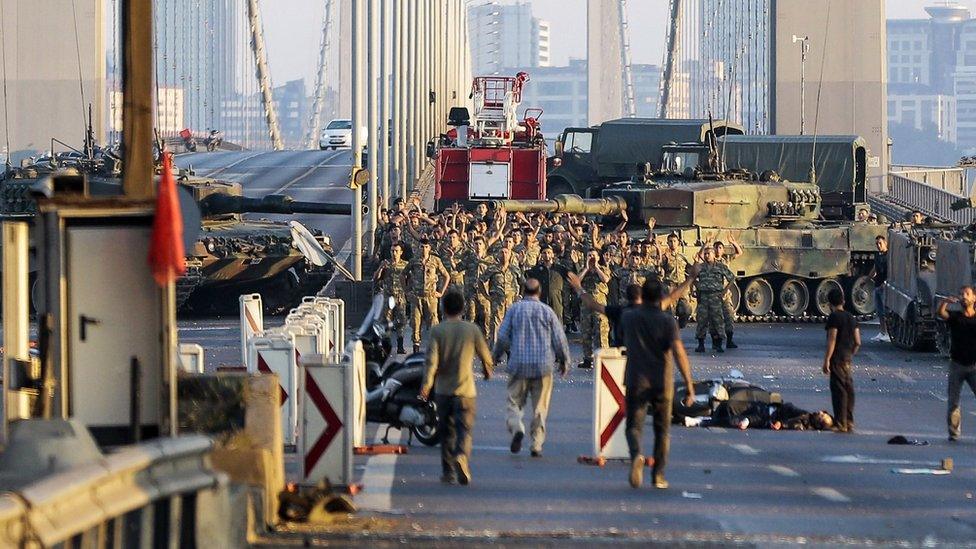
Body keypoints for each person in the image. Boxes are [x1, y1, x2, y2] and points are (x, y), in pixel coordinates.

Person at [618, 278, 695, 490]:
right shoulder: (667, 321)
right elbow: (678, 352)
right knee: (662, 430)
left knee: (633, 426)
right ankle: (658, 475)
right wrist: (689, 384)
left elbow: (622, 336)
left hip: (636, 379)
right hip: (662, 381)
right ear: (660, 296)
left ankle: (636, 455)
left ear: (642, 296)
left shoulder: (629, 317)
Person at [420, 290, 494, 485]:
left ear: (443, 309)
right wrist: (487, 371)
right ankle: (462, 456)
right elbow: (486, 357)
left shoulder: (437, 331)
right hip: (466, 390)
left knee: (446, 433)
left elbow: (431, 362)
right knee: (464, 430)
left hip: (444, 391)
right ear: (462, 308)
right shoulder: (472, 330)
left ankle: (448, 472)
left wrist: (426, 386)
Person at [492, 278, 571, 458]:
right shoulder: (547, 311)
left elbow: (503, 337)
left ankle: (517, 427)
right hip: (543, 366)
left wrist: (495, 357)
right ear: (540, 292)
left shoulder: (514, 309)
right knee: (539, 408)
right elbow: (559, 339)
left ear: (524, 290)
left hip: (519, 363)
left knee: (514, 402)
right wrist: (564, 360)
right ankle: (536, 443)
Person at [936, 286, 976, 441]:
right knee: (953, 401)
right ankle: (954, 432)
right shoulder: (956, 317)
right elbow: (941, 313)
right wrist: (945, 302)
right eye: (961, 294)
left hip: (974, 365)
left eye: (967, 294)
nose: (963, 296)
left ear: (974, 298)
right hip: (957, 365)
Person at [403, 238, 450, 353]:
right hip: (417, 296)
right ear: (418, 248)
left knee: (433, 322)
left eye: (426, 247)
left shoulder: (435, 260)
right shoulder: (414, 261)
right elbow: (403, 274)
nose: (424, 249)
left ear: (430, 248)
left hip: (431, 297)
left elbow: (446, 276)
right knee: (415, 322)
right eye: (421, 247)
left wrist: (441, 292)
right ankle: (416, 348)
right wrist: (407, 291)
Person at [823, 288, 860, 432]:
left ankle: (840, 423)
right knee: (848, 388)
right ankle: (849, 421)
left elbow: (832, 340)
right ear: (843, 301)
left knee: (839, 391)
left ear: (830, 303)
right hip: (847, 358)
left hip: (837, 358)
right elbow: (858, 341)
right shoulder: (851, 317)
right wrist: (851, 353)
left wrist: (827, 360)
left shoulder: (834, 317)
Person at [693, 247, 735, 353]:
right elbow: (692, 277)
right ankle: (701, 344)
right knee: (702, 320)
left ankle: (718, 344)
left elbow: (732, 278)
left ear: (713, 254)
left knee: (717, 321)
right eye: (705, 254)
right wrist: (696, 287)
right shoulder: (700, 267)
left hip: (716, 296)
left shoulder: (720, 267)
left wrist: (725, 290)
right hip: (703, 297)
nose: (706, 256)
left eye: (708, 254)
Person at [373, 242, 409, 354]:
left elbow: (411, 278)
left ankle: (400, 345)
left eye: (396, 251)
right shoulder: (386, 263)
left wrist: (408, 291)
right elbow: (376, 278)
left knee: (401, 321)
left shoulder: (405, 265)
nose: (394, 253)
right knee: (386, 321)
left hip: (400, 297)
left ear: (401, 252)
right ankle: (385, 346)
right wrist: (381, 268)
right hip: (388, 296)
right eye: (392, 251)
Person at [525, 245, 568, 322]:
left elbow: (574, 278)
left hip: (556, 303)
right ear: (541, 255)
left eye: (549, 252)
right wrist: (521, 264)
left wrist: (576, 264)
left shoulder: (560, 269)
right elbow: (525, 281)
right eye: (544, 253)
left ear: (553, 254)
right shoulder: (536, 270)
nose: (547, 255)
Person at [870, 235, 889, 342]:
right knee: (879, 311)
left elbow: (892, 270)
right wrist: (867, 279)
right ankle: (882, 332)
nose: (878, 245)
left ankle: (887, 333)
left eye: (880, 243)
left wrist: (885, 282)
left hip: (885, 286)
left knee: (885, 311)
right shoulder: (877, 255)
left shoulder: (889, 255)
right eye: (877, 243)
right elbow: (875, 269)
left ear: (885, 243)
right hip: (877, 284)